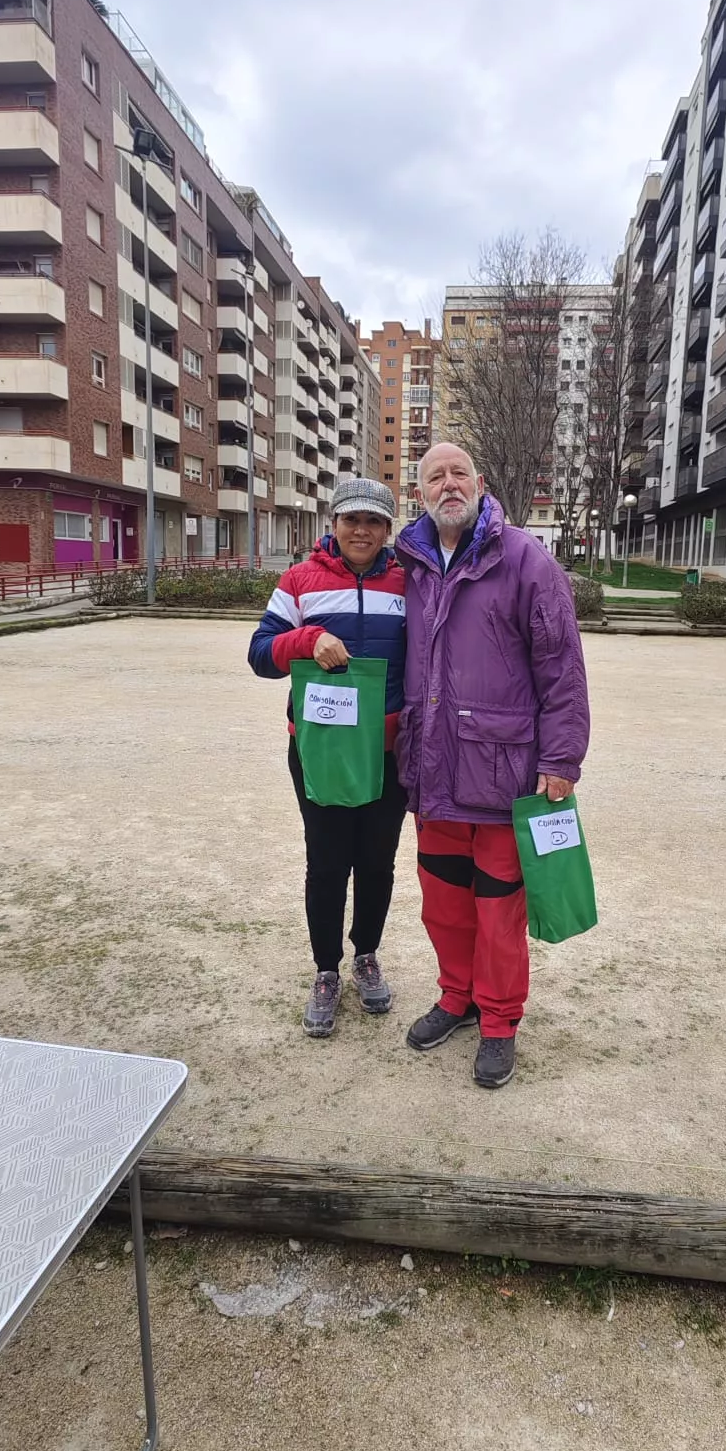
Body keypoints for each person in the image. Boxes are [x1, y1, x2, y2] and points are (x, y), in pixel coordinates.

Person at [395, 444, 590, 1089]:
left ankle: (500, 1021)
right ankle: (458, 997)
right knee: (444, 904)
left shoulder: (526, 561)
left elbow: (562, 669)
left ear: (480, 484)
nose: (448, 485)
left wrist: (561, 759)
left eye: (459, 474)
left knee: (499, 912)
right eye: (435, 477)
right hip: (435, 773)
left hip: (505, 778)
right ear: (419, 493)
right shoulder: (411, 563)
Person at [248, 478, 407, 1038]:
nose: (361, 531)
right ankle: (326, 970)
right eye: (351, 519)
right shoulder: (299, 581)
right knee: (327, 862)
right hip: (319, 749)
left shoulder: (408, 583)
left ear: (387, 529)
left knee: (378, 861)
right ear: (333, 524)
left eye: (373, 521)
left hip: (388, 751)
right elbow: (260, 654)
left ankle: (366, 955)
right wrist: (306, 638)